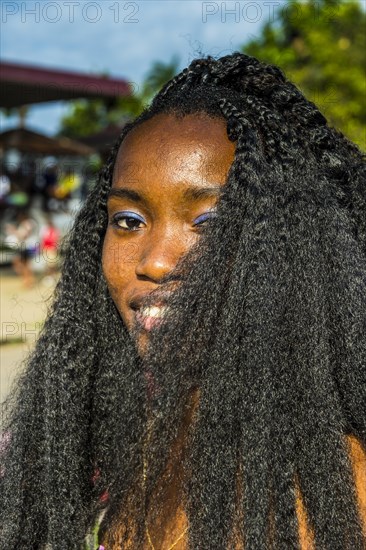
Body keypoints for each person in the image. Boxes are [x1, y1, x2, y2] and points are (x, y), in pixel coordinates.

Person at [0, 52, 365, 549]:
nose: (156, 262)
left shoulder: (341, 494)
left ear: (291, 244)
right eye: (129, 220)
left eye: (207, 222)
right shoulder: (91, 445)